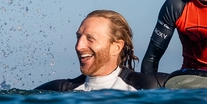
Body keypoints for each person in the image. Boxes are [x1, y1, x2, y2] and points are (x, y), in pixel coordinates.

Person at [37, 10, 165, 91]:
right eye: (78, 37)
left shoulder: (148, 85)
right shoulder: (60, 90)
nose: (79, 46)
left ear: (116, 47)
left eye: (90, 39)